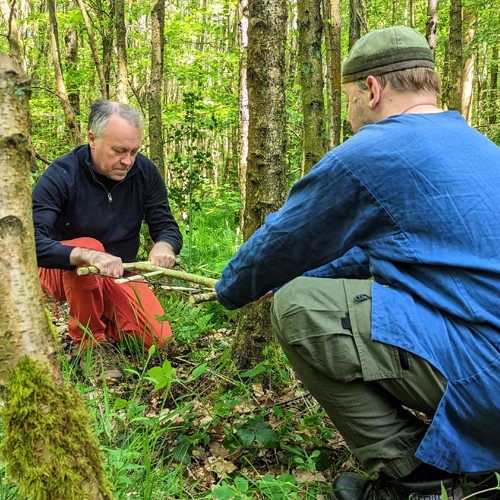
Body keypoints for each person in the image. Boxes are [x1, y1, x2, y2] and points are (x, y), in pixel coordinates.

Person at [215, 26, 500, 500]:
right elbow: (382, 250)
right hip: (487, 359)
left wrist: (231, 289)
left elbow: (283, 238)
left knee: (297, 307)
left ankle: (415, 477)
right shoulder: (480, 147)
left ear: (372, 89)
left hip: (487, 380)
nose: (350, 118)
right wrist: (305, 270)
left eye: (348, 100)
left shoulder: (372, 150)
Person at [33, 99, 182, 353]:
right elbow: (30, 242)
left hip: (119, 273)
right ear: (92, 138)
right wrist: (88, 254)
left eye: (134, 152)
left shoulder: (144, 172)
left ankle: (105, 318)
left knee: (159, 342)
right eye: (119, 151)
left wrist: (163, 246)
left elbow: (166, 226)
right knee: (88, 247)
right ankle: (92, 346)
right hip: (62, 270)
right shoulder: (63, 174)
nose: (127, 161)